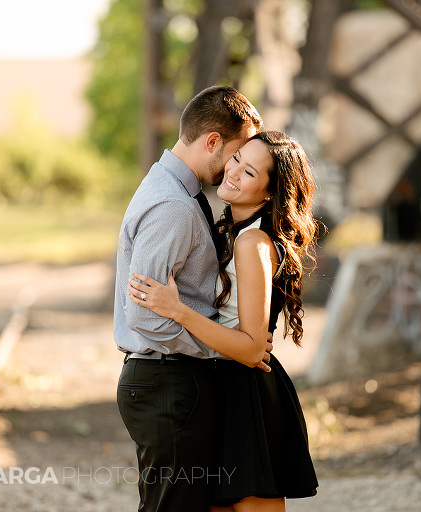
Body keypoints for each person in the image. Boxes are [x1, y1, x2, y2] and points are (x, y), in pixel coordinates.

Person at [128, 131, 320, 511]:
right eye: (236, 159)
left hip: (248, 393)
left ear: (269, 193)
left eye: (249, 172)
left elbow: (251, 348)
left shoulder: (252, 244)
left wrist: (177, 309)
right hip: (221, 386)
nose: (232, 172)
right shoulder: (229, 231)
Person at [114, 85, 265, 512]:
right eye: (237, 153)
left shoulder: (176, 191)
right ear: (213, 141)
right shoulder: (172, 206)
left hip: (171, 382)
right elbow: (145, 315)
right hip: (168, 382)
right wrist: (225, 346)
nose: (236, 166)